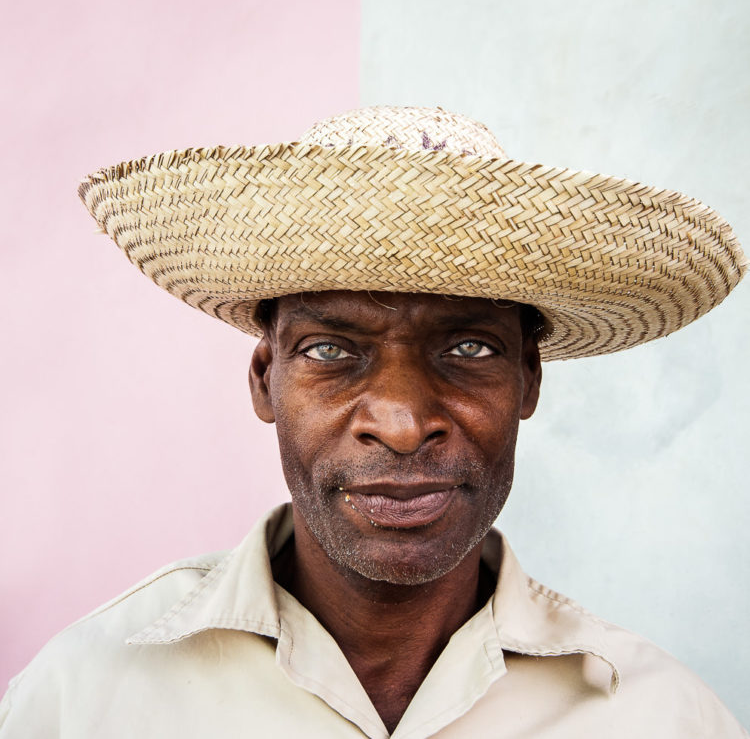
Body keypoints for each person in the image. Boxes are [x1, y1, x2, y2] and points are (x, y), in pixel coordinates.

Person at [0, 106, 747, 738]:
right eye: (331, 350)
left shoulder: (661, 717)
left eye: (468, 347)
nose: (399, 422)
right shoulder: (86, 700)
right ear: (265, 380)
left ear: (528, 379)